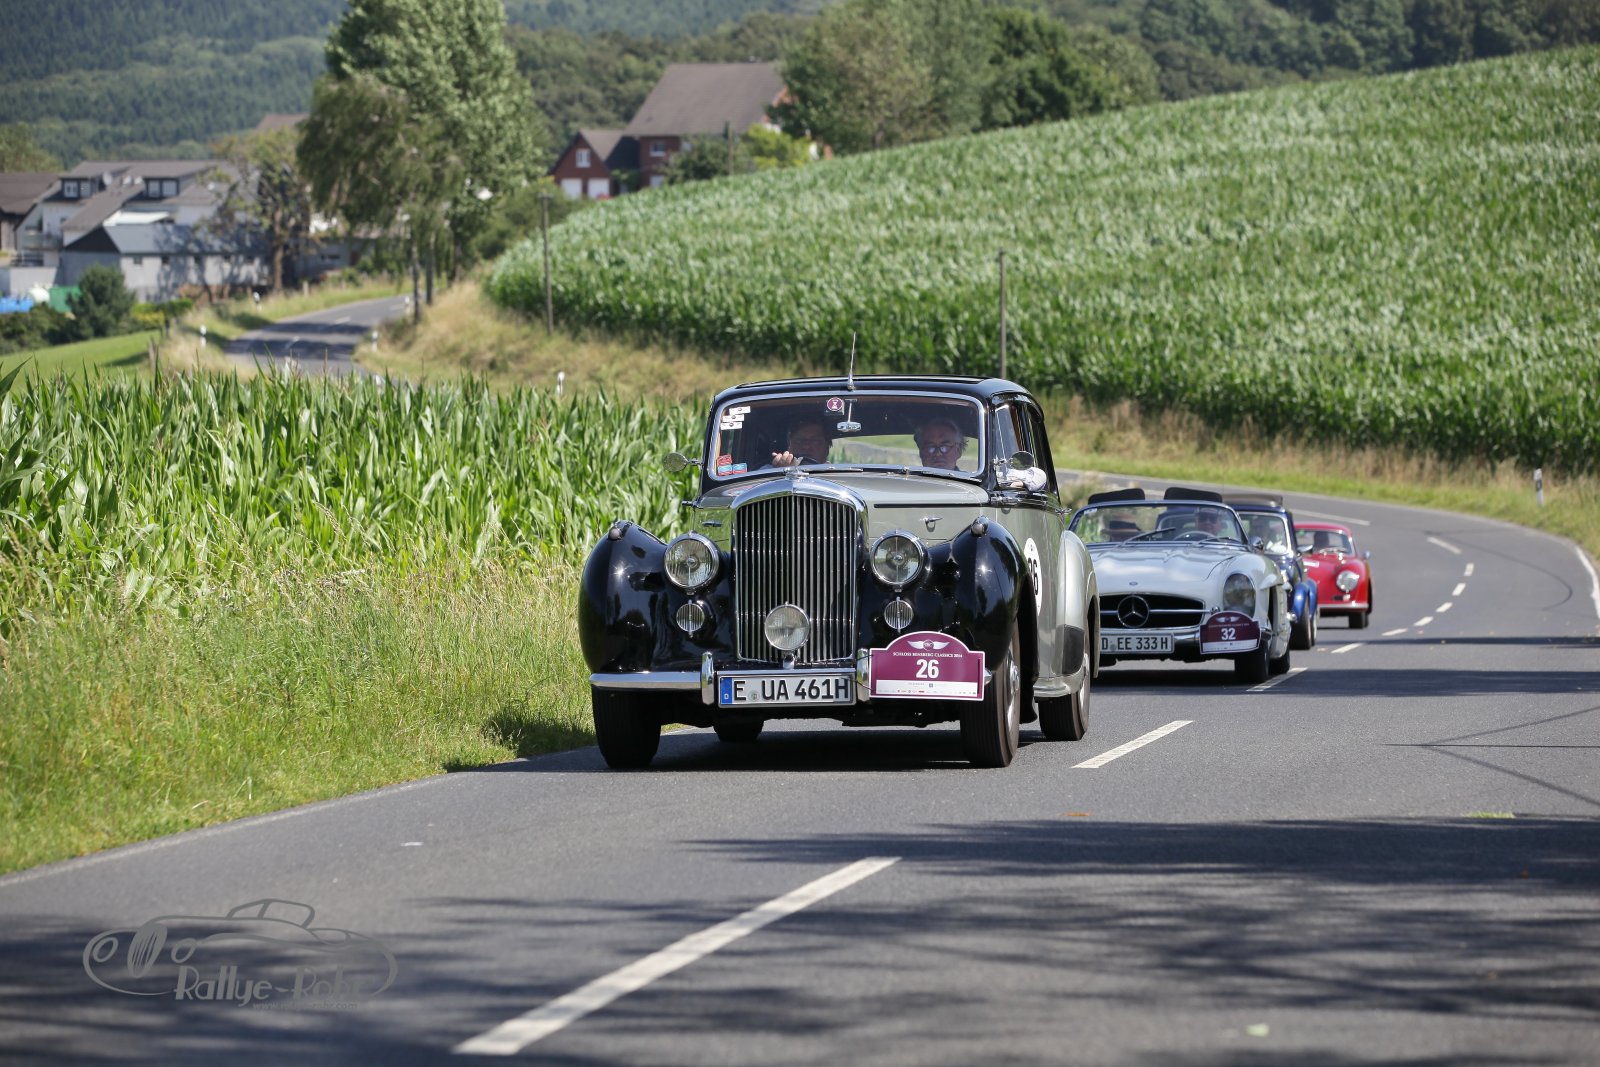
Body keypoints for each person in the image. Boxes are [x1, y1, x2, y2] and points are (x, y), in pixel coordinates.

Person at [769, 416, 833, 467]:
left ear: (827, 448)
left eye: (815, 441)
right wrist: (780, 472)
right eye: (799, 440)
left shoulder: (835, 474)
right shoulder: (767, 472)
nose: (806, 446)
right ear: (789, 445)